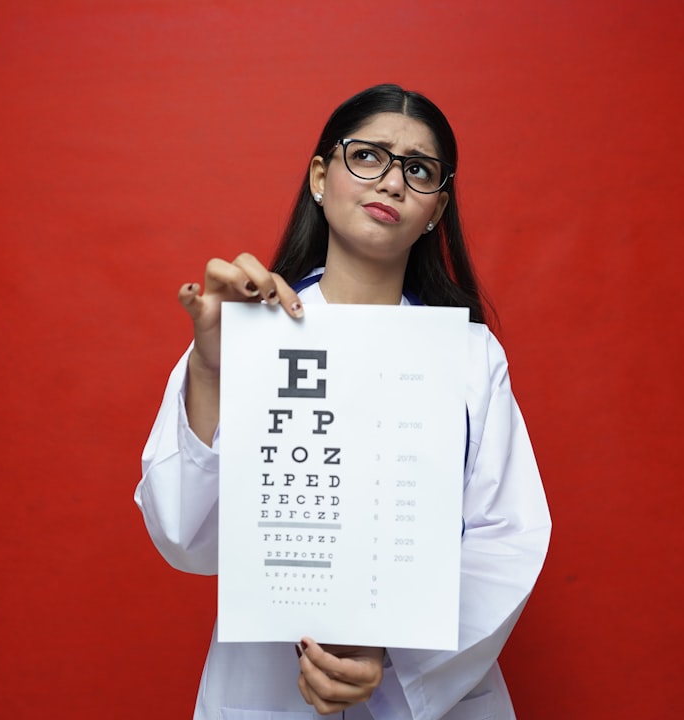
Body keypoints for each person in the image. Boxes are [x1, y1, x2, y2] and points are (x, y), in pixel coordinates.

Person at [136, 84, 551, 719]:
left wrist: (392, 650)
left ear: (436, 209)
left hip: (427, 695)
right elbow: (184, 539)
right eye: (368, 156)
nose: (392, 182)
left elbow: (506, 537)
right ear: (320, 177)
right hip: (268, 693)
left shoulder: (471, 357)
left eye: (419, 170)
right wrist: (213, 369)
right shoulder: (242, 333)